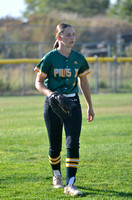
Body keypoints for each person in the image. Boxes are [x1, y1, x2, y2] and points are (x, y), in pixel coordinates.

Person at [34, 22, 94, 197]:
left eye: (74, 34)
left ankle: (70, 184)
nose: (72, 37)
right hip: (53, 103)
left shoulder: (79, 58)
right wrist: (50, 94)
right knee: (54, 146)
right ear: (59, 37)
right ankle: (56, 175)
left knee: (73, 144)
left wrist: (90, 106)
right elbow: (38, 82)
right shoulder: (50, 58)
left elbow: (84, 82)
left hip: (73, 103)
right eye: (68, 34)